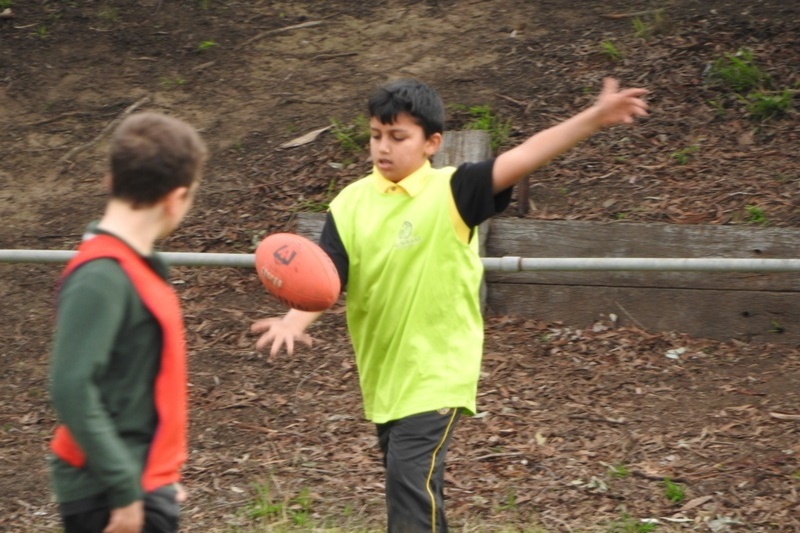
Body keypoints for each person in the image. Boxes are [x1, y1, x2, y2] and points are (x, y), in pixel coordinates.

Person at [251, 77, 648, 532]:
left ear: (431, 143)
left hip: (436, 370)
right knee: (414, 490)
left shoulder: (454, 191)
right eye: (376, 135)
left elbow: (522, 157)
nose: (384, 147)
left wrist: (594, 118)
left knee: (409, 489)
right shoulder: (349, 203)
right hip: (385, 374)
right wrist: (293, 320)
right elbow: (329, 276)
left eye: (399, 137)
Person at [48, 111, 207, 533]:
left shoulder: (137, 267)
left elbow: (133, 390)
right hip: (107, 494)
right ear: (175, 198)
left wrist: (158, 478)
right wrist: (125, 489)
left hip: (141, 484)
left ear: (110, 180)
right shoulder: (101, 276)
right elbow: (70, 386)